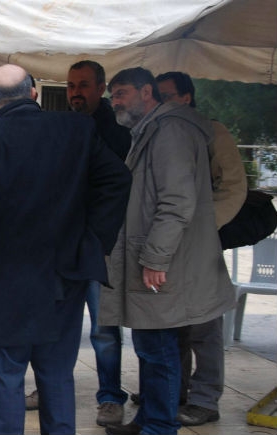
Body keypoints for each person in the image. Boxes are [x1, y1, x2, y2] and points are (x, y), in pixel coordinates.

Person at [0, 64, 131, 435]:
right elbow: (118, 179)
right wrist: (93, 239)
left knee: (7, 379)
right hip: (65, 277)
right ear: (34, 94)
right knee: (58, 376)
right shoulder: (76, 129)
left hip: (8, 284)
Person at [101, 67, 236, 435]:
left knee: (158, 347)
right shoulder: (153, 129)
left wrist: (156, 258)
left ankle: (159, 425)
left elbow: (176, 201)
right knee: (150, 345)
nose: (116, 101)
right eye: (113, 94)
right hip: (156, 258)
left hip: (163, 263)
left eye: (123, 92)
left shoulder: (171, 130)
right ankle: (150, 418)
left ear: (147, 93)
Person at [155, 71, 247, 427]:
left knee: (204, 323)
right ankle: (174, 391)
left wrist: (205, 230)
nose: (162, 103)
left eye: (167, 96)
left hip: (200, 243)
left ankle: (206, 398)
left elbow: (233, 186)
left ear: (186, 97)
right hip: (168, 241)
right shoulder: (157, 132)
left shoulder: (212, 131)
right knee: (172, 322)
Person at [65, 59, 132, 426]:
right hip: (63, 241)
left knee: (103, 328)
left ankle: (110, 397)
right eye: (72, 85)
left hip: (99, 243)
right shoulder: (62, 126)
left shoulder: (118, 132)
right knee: (58, 323)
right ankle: (50, 386)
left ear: (101, 88)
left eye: (85, 85)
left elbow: (116, 188)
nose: (77, 92)